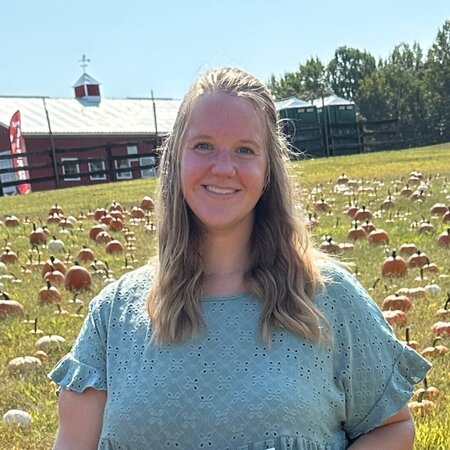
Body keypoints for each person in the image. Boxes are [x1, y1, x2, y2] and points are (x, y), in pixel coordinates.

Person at [49, 67, 431, 450]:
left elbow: (391, 428)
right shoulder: (112, 316)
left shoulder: (328, 297)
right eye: (202, 145)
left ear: (268, 171)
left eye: (245, 150)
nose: (223, 167)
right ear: (175, 160)